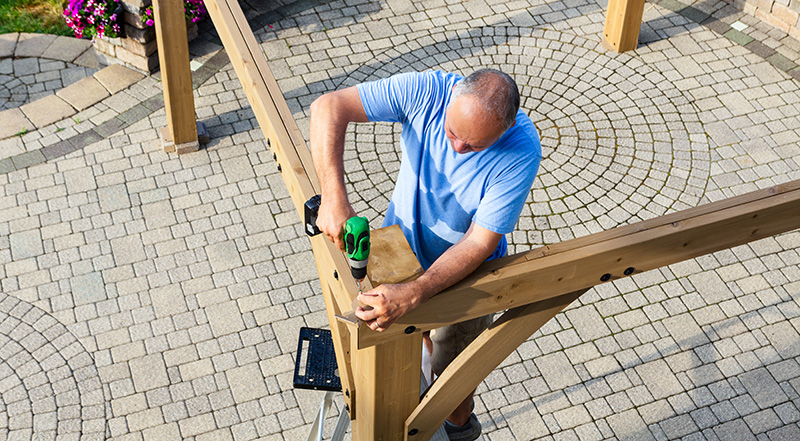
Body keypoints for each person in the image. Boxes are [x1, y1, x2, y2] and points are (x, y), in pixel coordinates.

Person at [310, 68, 541, 440]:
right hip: (401, 251)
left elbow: (478, 243)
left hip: (470, 275)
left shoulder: (521, 150)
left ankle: (460, 428)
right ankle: (425, 357)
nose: (458, 149)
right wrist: (334, 197)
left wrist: (416, 292)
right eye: (452, 133)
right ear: (451, 100)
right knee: (417, 339)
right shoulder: (428, 91)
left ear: (507, 128)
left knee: (454, 375)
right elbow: (328, 106)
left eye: (476, 145)